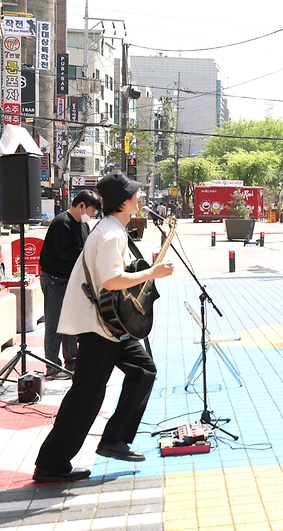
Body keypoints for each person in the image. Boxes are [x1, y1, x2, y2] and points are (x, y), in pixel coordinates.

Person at [33, 172, 175, 484]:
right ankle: (52, 463)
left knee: (142, 370)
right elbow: (111, 280)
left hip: (108, 323)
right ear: (124, 202)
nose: (139, 198)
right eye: (135, 194)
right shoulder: (110, 233)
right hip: (98, 326)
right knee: (87, 394)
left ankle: (113, 439)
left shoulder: (112, 230)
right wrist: (153, 272)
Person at [38, 190, 102, 379]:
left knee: (72, 322)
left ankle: (71, 361)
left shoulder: (82, 225)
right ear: (82, 205)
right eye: (92, 210)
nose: (92, 215)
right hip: (54, 279)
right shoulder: (61, 222)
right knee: (55, 323)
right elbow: (66, 253)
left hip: (70, 279)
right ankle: (52, 365)